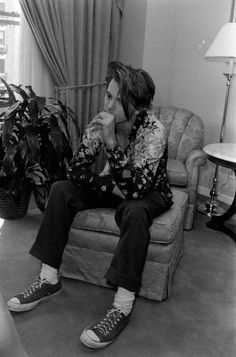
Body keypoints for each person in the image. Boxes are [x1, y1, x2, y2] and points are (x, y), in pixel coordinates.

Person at [7, 61, 173, 349]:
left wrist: (110, 142)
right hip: (116, 185)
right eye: (106, 95)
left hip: (150, 193)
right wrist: (110, 186)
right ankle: (48, 279)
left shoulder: (154, 131)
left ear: (133, 104)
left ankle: (121, 306)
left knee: (134, 210)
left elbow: (136, 190)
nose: (105, 103)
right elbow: (77, 171)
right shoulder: (101, 122)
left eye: (112, 98)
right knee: (61, 189)